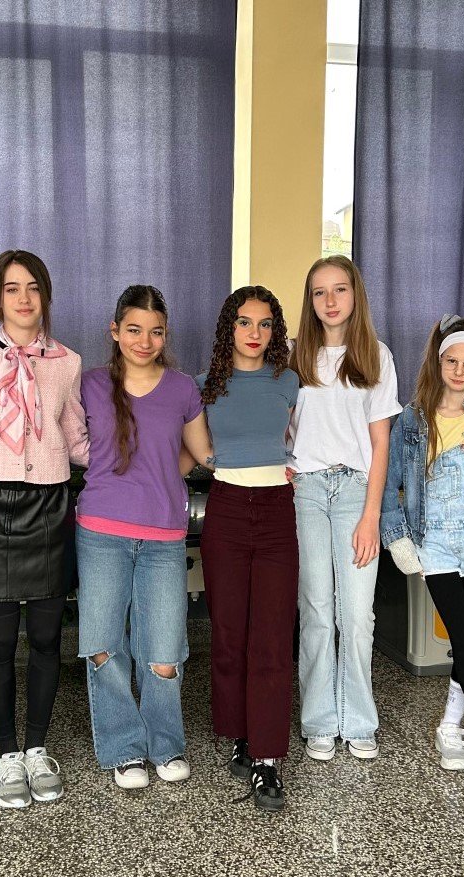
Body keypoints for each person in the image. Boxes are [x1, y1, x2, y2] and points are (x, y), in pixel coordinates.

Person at [0, 250, 89, 809]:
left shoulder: (68, 361)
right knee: (0, 641)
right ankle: (7, 754)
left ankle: (36, 747)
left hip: (51, 504)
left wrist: (137, 455)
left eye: (33, 287)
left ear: (45, 295)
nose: (24, 298)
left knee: (48, 638)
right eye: (11, 289)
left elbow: (76, 438)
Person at [75, 285, 211, 790]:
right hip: (100, 532)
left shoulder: (181, 388)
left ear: (165, 335)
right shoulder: (90, 384)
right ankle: (124, 750)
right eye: (134, 330)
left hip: (163, 535)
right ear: (115, 331)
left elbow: (201, 451)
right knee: (104, 647)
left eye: (155, 332)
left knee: (164, 650)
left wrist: (162, 477)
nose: (144, 341)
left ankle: (165, 744)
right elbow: (60, 439)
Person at [381, 315, 464, 799]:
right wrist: (397, 538)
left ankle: (449, 729)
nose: (459, 371)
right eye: (451, 361)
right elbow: (390, 485)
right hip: (433, 541)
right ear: (438, 362)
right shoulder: (410, 419)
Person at [288, 255, 401, 761]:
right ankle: (318, 720)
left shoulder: (377, 356)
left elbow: (381, 443)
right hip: (307, 491)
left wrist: (371, 516)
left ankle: (357, 720)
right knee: (315, 610)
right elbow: (279, 422)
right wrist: (284, 463)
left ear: (355, 295)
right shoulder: (294, 356)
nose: (330, 301)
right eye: (319, 292)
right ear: (310, 301)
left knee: (356, 614)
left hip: (357, 491)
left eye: (339, 289)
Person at [197, 286, 299, 811]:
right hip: (227, 508)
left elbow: (304, 440)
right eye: (244, 322)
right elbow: (192, 446)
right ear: (228, 328)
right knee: (229, 631)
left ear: (275, 330)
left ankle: (267, 758)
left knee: (272, 637)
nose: (254, 333)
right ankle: (239, 732)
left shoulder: (289, 381)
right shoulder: (206, 385)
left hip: (278, 510)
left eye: (264, 323)